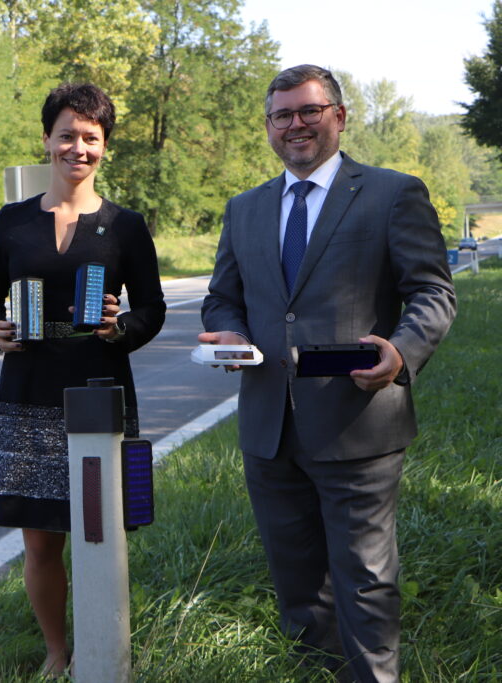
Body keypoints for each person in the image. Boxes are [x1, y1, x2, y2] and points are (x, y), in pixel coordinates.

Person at [199, 65, 456, 682]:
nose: (296, 125)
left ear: (338, 116)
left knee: (365, 580)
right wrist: (228, 330)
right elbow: (221, 297)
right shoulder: (245, 209)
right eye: (282, 115)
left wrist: (400, 353)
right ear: (267, 127)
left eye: (309, 111)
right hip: (268, 429)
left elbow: (432, 292)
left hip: (358, 424)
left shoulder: (394, 194)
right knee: (297, 587)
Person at [0, 83, 166, 676]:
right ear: (47, 140)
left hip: (99, 390)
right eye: (67, 135)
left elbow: (152, 309)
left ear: (104, 147)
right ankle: (58, 652)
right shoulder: (10, 222)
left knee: (100, 530)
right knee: (39, 539)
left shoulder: (126, 226)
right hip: (28, 388)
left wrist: (119, 327)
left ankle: (105, 647)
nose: (77, 148)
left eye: (90, 138)